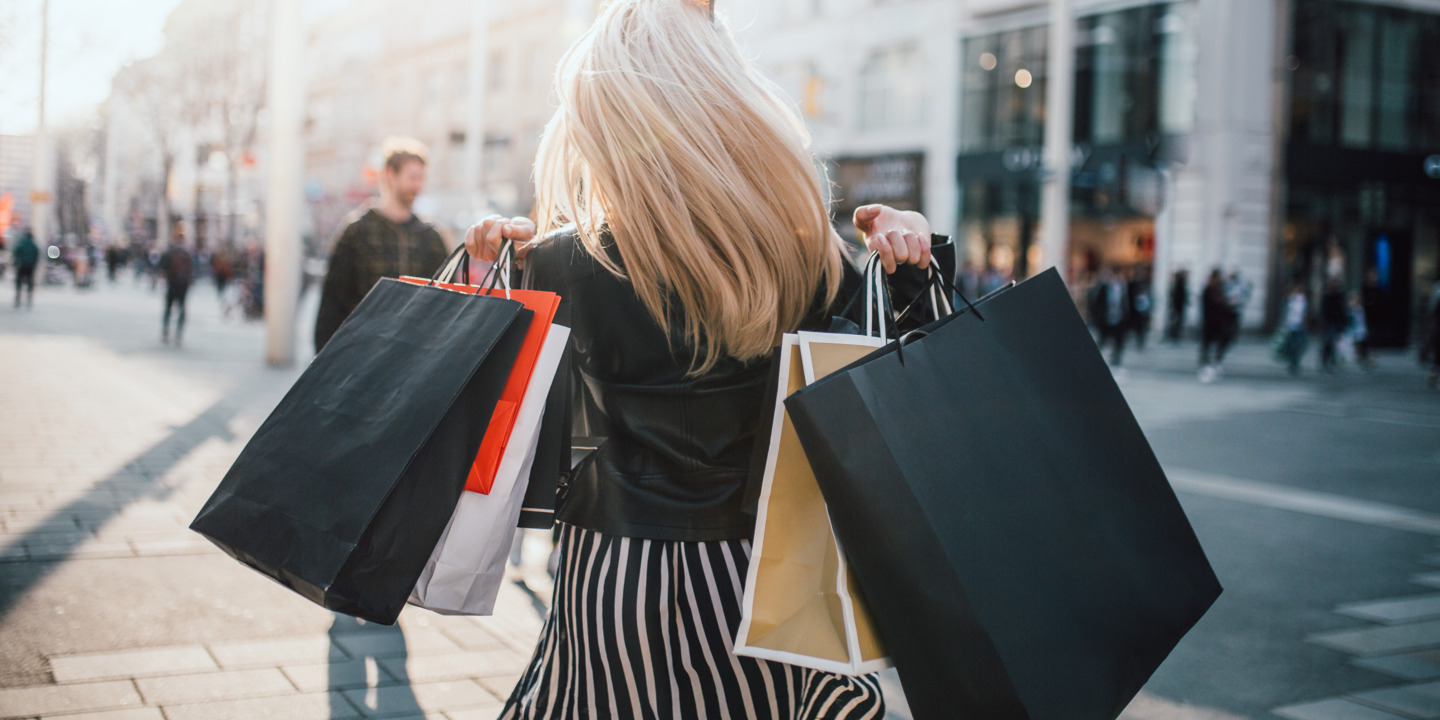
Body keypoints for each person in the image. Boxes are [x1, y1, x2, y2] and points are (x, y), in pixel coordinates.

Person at [462, 2, 943, 716]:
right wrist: (910, 263)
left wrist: (485, 276)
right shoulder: (802, 254)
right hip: (765, 576)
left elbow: (487, 407)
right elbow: (910, 378)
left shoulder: (564, 259)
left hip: (613, 571)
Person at [314, 137, 448, 352]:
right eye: (412, 178)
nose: (418, 186)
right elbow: (332, 303)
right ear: (390, 175)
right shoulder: (356, 231)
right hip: (361, 353)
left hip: (414, 355)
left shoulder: (431, 236)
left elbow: (446, 303)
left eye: (421, 179)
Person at [1089, 266, 1130, 367]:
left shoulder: (1123, 287)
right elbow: (1096, 303)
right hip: (1106, 318)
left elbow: (1126, 303)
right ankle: (1095, 358)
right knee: (1102, 339)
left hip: (1119, 318)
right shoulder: (1104, 288)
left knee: (1118, 340)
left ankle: (1115, 357)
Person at [159, 234, 195, 344]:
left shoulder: (170, 253)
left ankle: (166, 329)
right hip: (183, 286)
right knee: (182, 309)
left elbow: (162, 268)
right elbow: (193, 270)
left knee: (168, 308)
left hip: (172, 284)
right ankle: (179, 332)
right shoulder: (187, 254)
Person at [1198, 269, 1231, 381]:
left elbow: (1224, 306)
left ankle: (1213, 363)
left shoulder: (1219, 290)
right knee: (1207, 345)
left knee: (1220, 343)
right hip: (1210, 322)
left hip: (1219, 322)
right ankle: (1206, 366)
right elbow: (1206, 306)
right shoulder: (1208, 289)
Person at [1319, 277, 1347, 373]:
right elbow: (1323, 310)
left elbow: (1342, 309)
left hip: (1336, 321)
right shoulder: (1327, 296)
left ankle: (1329, 360)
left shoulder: (1339, 296)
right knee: (1329, 341)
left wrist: (1342, 321)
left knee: (1333, 342)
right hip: (1329, 322)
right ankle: (1326, 360)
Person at [1282, 283, 1309, 376]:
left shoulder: (1302, 300)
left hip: (1298, 325)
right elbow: (1287, 313)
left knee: (1298, 344)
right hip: (1293, 325)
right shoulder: (1292, 300)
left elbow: (1304, 313)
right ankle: (1292, 361)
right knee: (1294, 344)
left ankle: (1294, 361)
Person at [11, 223, 38, 309]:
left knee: (19, 281)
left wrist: (16, 262)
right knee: (30, 281)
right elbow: (37, 254)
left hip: (21, 265)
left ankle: (18, 297)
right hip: (30, 267)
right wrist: (34, 264)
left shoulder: (22, 243)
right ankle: (29, 298)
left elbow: (16, 251)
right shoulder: (34, 245)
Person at [1128, 266, 1153, 351]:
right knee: (1135, 327)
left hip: (1143, 310)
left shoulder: (1146, 284)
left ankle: (1140, 341)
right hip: (1134, 310)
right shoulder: (1132, 284)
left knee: (1141, 327)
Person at [1166, 268, 1189, 342]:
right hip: (1178, 306)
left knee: (1175, 321)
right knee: (1176, 321)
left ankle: (1174, 334)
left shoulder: (1177, 283)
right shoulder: (1180, 283)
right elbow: (1179, 295)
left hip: (1176, 306)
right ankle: (1174, 335)